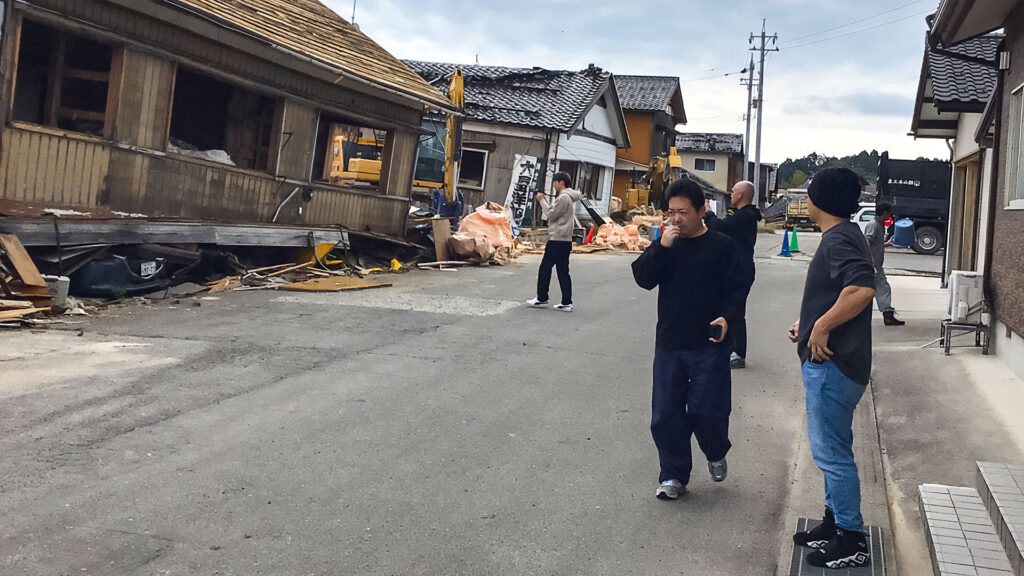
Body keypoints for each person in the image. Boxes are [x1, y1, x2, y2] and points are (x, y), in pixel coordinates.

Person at [631, 178, 744, 500]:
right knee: (665, 413)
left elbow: (738, 289)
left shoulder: (722, 247)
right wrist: (661, 247)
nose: (676, 219)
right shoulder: (668, 245)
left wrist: (728, 317)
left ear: (701, 211)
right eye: (671, 212)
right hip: (670, 341)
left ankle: (715, 449)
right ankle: (673, 475)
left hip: (709, 343)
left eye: (683, 212)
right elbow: (643, 279)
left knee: (707, 410)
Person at [788, 167, 876, 569]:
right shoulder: (845, 234)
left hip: (832, 366)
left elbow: (860, 287)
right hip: (840, 361)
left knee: (832, 455)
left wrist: (821, 326)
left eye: (809, 193)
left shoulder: (838, 237)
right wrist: (808, 324)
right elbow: (842, 291)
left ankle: (851, 538)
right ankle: (833, 522)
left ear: (819, 199)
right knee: (832, 451)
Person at [704, 180, 763, 369]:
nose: (731, 195)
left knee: (736, 310)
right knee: (726, 307)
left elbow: (718, 227)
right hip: (734, 268)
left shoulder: (745, 216)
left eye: (733, 192)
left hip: (742, 269)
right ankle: (727, 346)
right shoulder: (742, 215)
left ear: (740, 195)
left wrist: (708, 212)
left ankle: (738, 353)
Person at [525, 172, 581, 312]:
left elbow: (551, 215)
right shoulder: (567, 197)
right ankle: (566, 302)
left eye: (555, 182)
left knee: (545, 268)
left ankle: (542, 297)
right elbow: (554, 212)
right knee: (562, 271)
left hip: (557, 239)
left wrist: (542, 200)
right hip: (564, 240)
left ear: (561, 182)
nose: (554, 185)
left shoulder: (563, 198)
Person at [863, 202, 905, 326]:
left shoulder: (879, 225)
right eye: (889, 213)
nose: (890, 216)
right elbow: (867, 241)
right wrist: (870, 261)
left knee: (877, 288)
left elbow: (874, 243)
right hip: (873, 265)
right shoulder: (874, 225)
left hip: (875, 265)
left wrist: (886, 244)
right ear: (885, 213)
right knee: (883, 288)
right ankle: (887, 314)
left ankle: (887, 314)